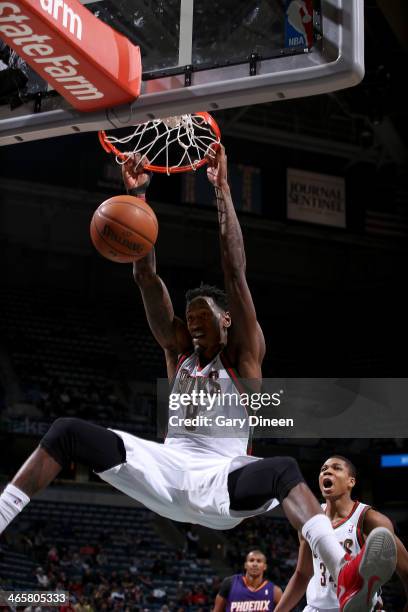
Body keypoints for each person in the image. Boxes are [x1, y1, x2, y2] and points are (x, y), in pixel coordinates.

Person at [0, 146, 397, 612]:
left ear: (226, 319)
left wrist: (223, 190)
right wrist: (139, 195)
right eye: (187, 317)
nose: (191, 322)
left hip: (222, 479)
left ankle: (348, 578)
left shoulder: (244, 355)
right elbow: (147, 277)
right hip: (168, 469)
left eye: (201, 315)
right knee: (67, 431)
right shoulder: (178, 353)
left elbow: (235, 270)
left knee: (284, 468)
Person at [274, 455, 408, 612]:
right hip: (316, 608)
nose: (327, 471)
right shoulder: (310, 519)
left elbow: (406, 570)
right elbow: (302, 574)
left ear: (351, 482)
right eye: (323, 469)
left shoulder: (370, 519)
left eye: (336, 468)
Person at [214, 549, 283, 611]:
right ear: (245, 565)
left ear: (265, 567)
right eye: (251, 560)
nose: (255, 564)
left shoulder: (275, 591)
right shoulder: (230, 583)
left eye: (259, 561)